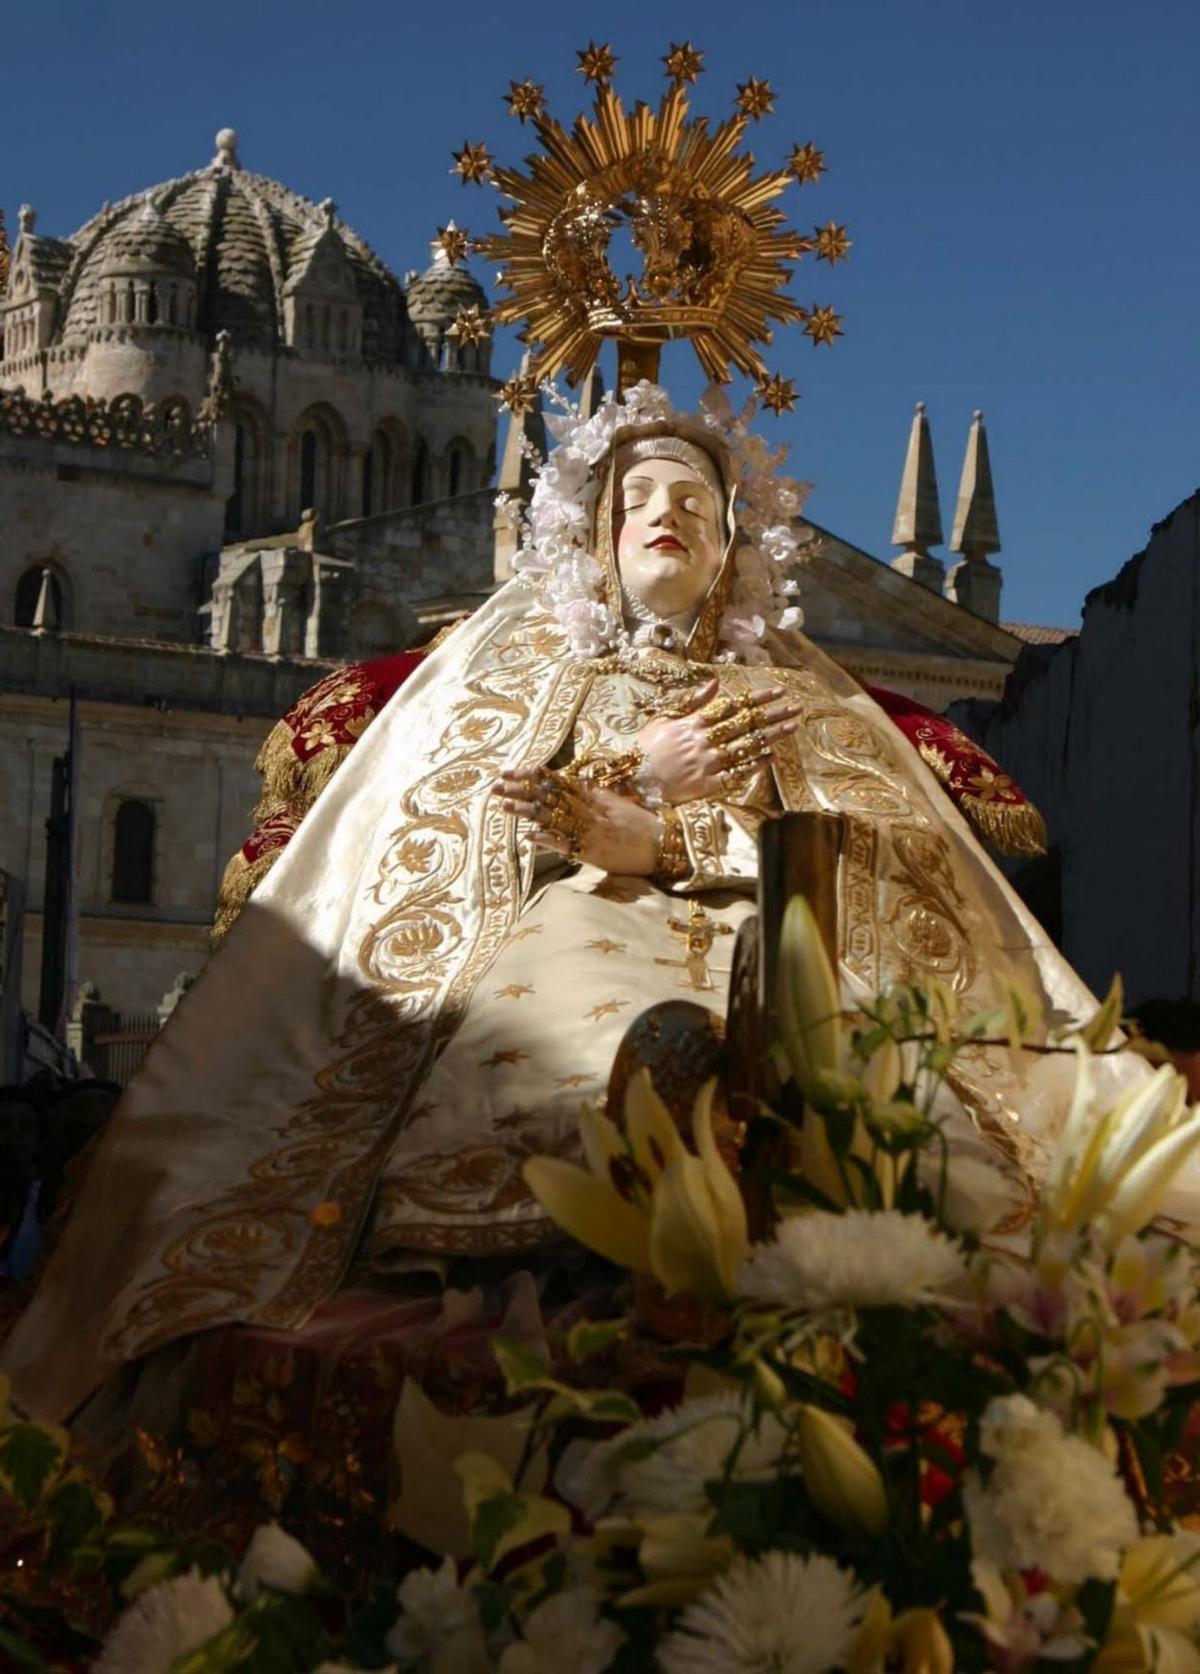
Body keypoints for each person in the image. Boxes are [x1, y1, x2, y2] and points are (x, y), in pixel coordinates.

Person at [1, 382, 1186, 1424]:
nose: (666, 513)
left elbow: (890, 874)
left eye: (696, 502)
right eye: (639, 499)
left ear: (735, 546)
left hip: (776, 956)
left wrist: (675, 832)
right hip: (562, 944)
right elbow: (444, 840)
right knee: (564, 1044)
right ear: (596, 535)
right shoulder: (508, 681)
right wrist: (619, 786)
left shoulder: (805, 705)